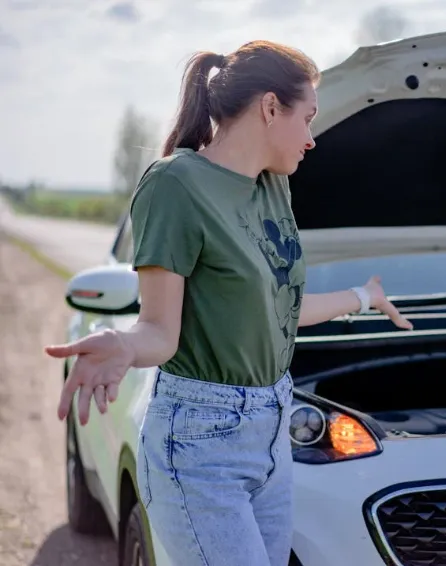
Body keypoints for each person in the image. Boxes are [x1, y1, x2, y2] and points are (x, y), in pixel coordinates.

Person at [44, 40, 413, 566]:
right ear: (270, 107)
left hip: (273, 431)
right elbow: (159, 331)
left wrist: (362, 297)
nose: (312, 138)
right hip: (200, 443)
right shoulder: (176, 184)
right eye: (308, 118)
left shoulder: (273, 188)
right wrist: (124, 345)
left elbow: (279, 312)